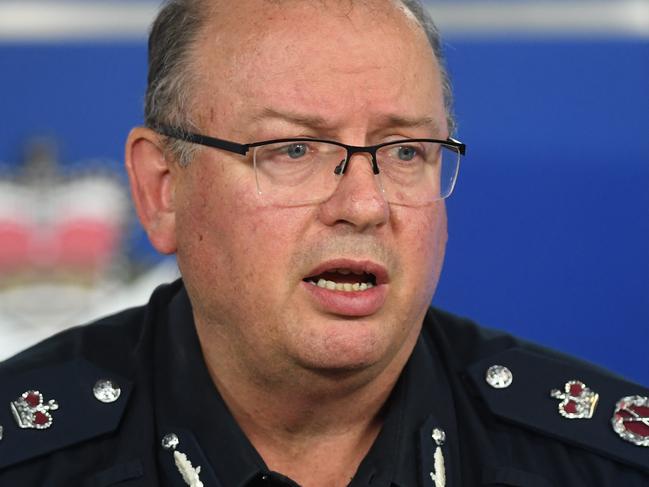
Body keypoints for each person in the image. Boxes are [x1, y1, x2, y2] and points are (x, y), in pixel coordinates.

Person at [0, 0, 647, 485]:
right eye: (294, 149)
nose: (364, 205)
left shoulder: (600, 461)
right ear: (162, 187)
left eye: (404, 151)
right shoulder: (29, 453)